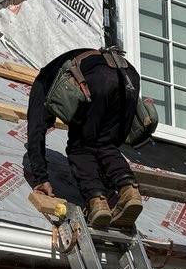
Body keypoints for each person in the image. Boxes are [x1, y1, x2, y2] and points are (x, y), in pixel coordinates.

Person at [23, 46, 148, 230]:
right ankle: (129, 190)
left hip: (98, 78)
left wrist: (40, 178)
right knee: (105, 144)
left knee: (79, 147)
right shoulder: (69, 63)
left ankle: (96, 202)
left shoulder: (42, 83)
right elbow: (113, 141)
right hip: (129, 76)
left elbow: (35, 132)